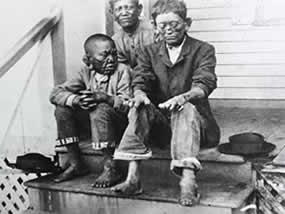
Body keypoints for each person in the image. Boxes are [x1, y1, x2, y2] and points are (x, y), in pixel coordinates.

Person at [111, 0, 220, 207]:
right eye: (162, 26)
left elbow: (205, 83)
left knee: (186, 107)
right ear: (154, 26)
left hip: (197, 126)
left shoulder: (203, 50)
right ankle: (133, 178)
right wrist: (139, 93)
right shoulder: (149, 52)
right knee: (139, 106)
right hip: (164, 129)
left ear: (187, 23)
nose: (168, 30)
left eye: (174, 24)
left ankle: (188, 181)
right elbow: (141, 78)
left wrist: (184, 97)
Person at [49, 34, 131, 186]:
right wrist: (77, 101)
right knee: (62, 109)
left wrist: (106, 98)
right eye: (104, 56)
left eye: (114, 54)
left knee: (100, 108)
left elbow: (128, 104)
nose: (111, 60)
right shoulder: (85, 72)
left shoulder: (123, 70)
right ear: (88, 60)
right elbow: (55, 93)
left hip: (120, 126)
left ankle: (110, 167)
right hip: (95, 125)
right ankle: (75, 163)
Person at [110, 0, 157, 69]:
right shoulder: (116, 40)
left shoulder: (154, 31)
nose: (124, 13)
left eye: (129, 8)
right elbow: (123, 69)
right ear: (112, 13)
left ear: (139, 9)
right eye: (118, 9)